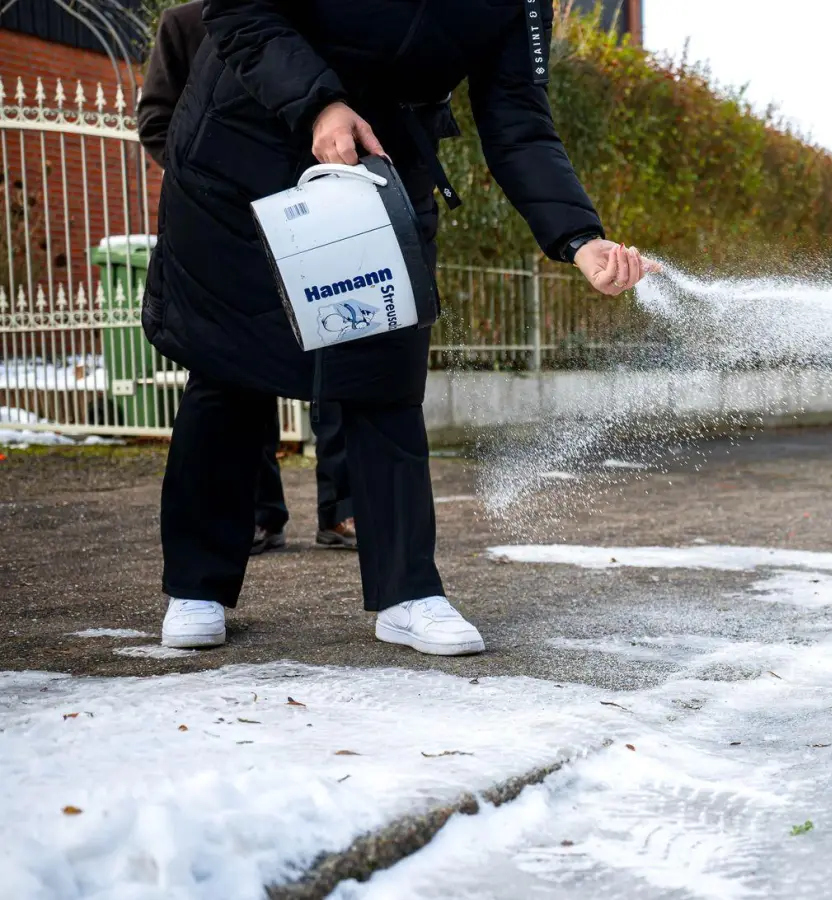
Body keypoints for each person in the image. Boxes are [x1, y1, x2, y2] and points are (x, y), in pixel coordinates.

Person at [143, 0, 655, 654]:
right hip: (240, 140)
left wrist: (579, 238)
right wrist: (319, 103)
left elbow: (517, 118)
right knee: (229, 368)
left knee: (384, 374)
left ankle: (407, 593)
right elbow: (239, 8)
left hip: (378, 159)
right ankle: (197, 583)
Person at [135, 0, 358, 556]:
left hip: (316, 212)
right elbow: (157, 120)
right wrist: (207, 180)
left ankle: (343, 509)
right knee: (235, 369)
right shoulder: (184, 23)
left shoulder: (317, 17)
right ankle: (259, 513)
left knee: (336, 350)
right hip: (229, 221)